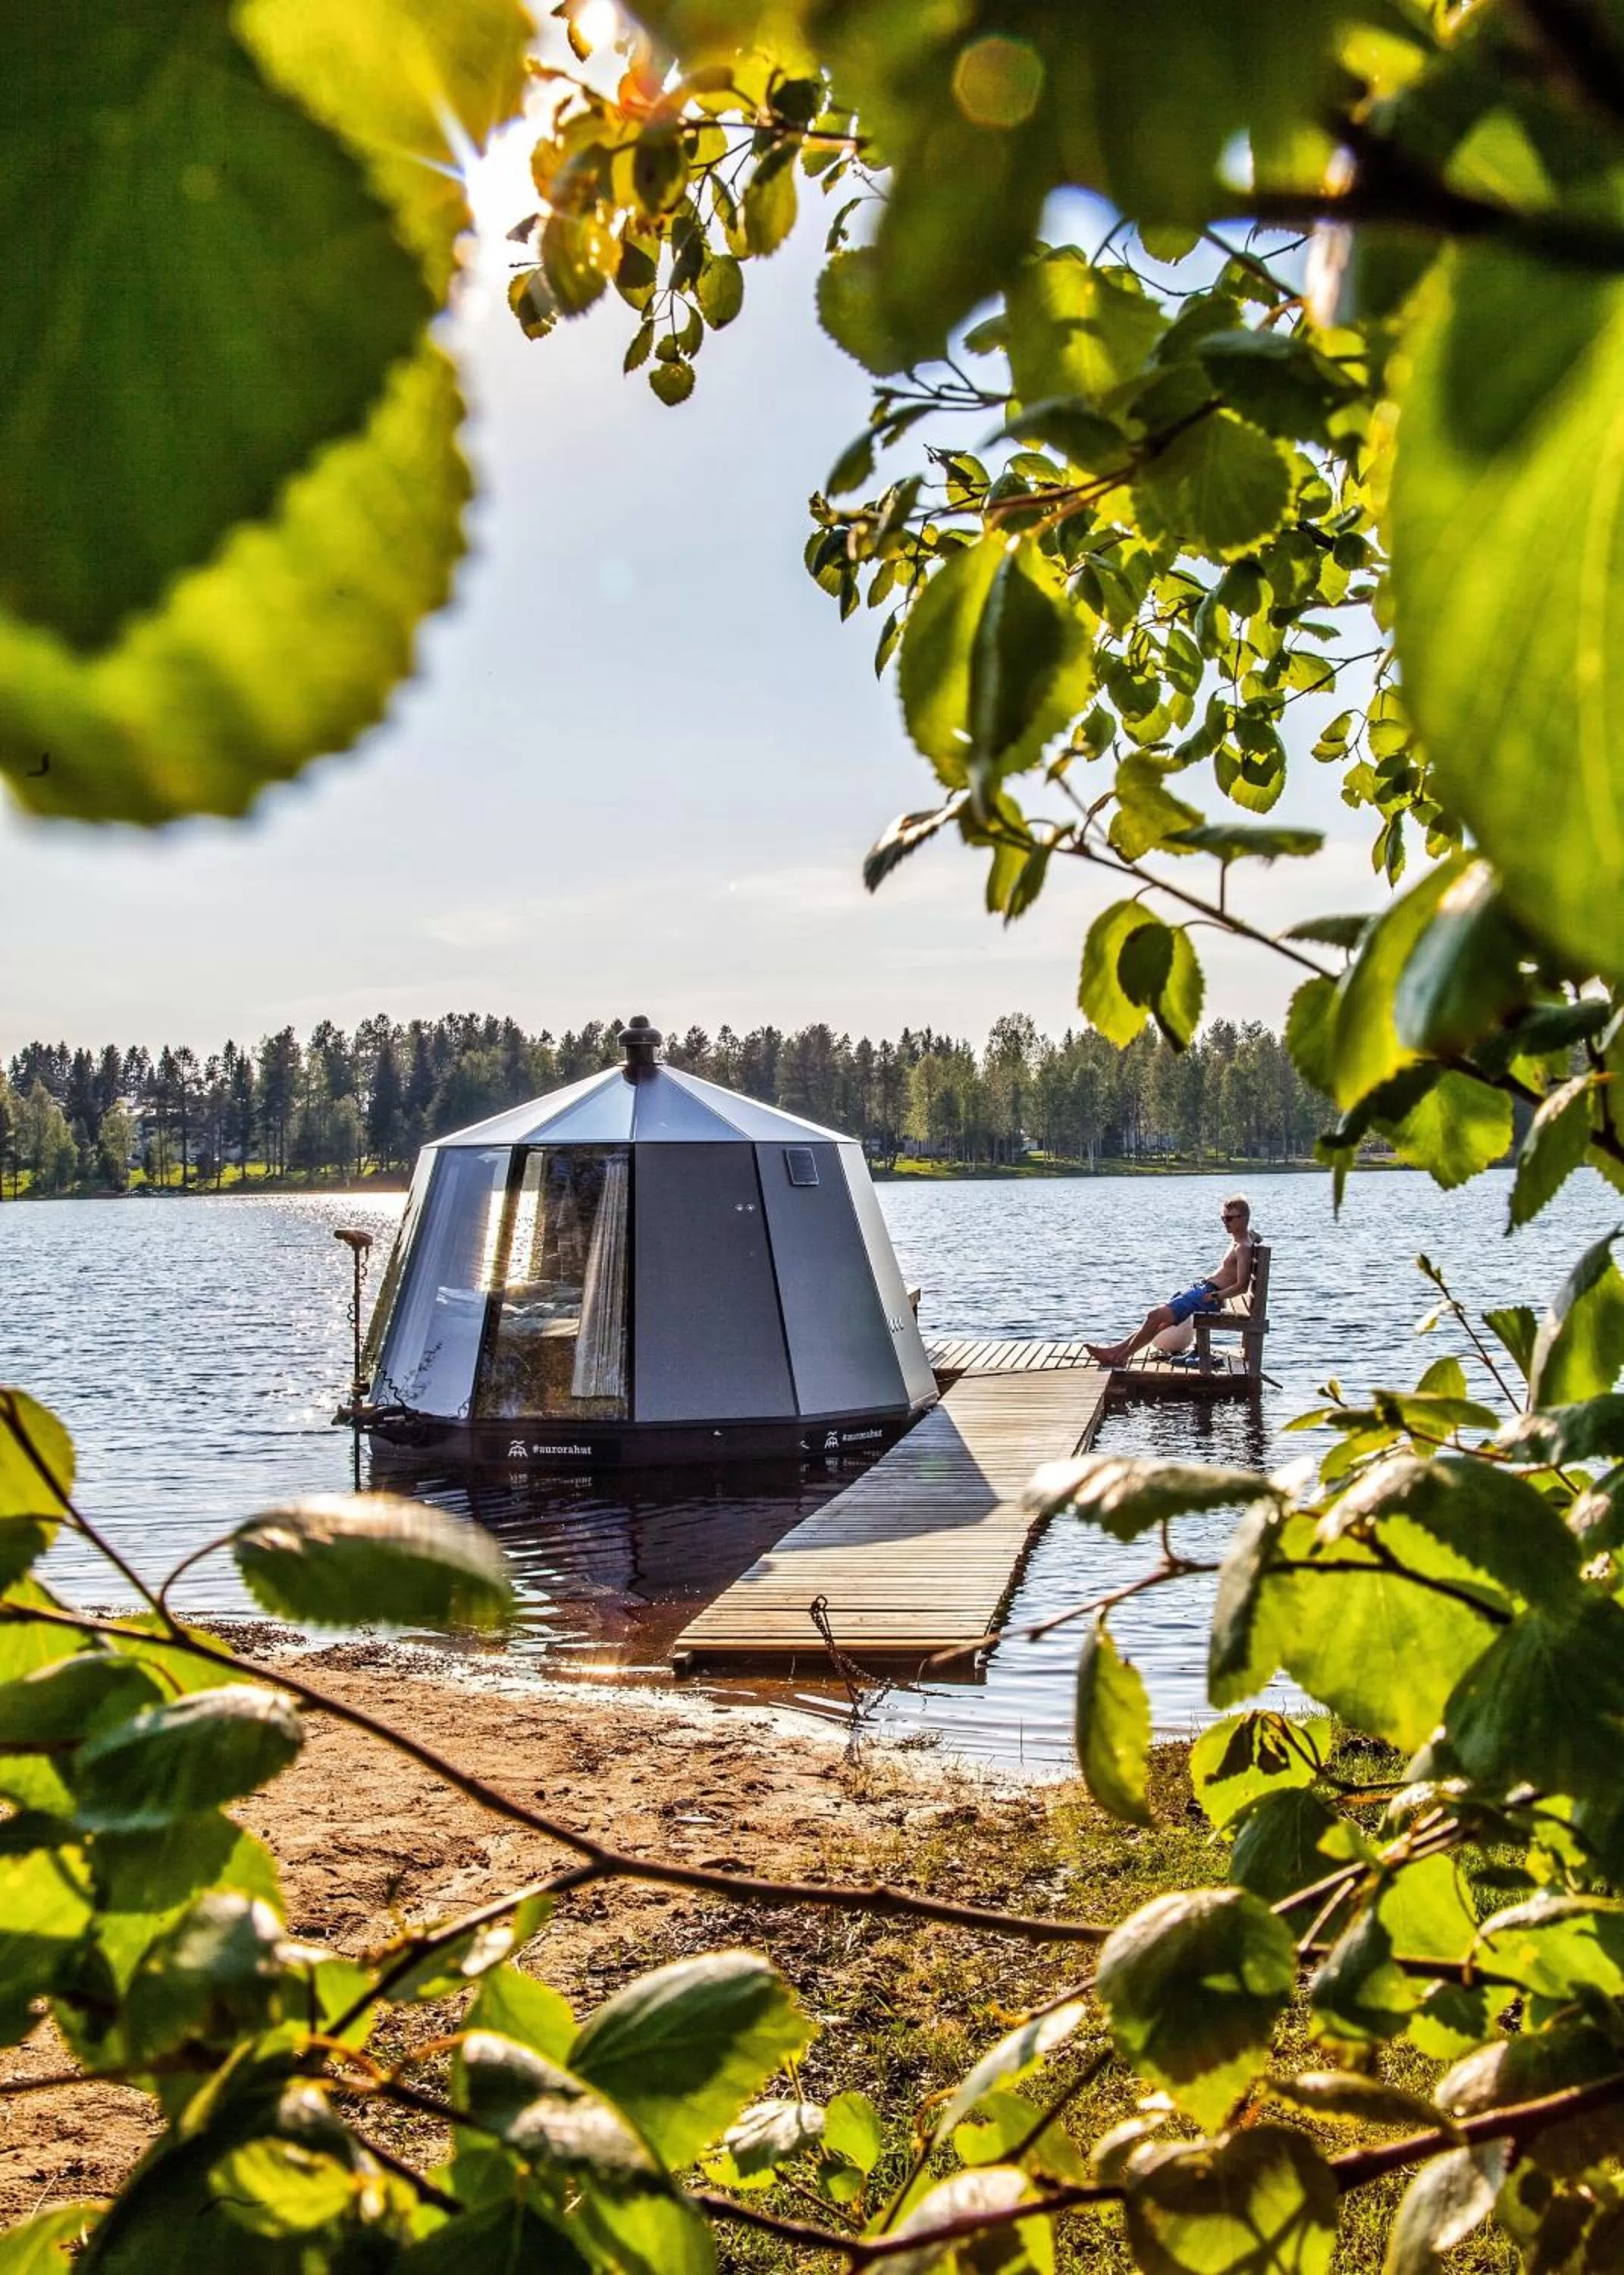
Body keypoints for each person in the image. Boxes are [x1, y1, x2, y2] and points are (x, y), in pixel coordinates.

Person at [1086, 1196, 1256, 1370]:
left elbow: (1242, 1286)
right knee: (1157, 1320)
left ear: (1243, 1219)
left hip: (1207, 1296)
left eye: (1229, 1219)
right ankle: (1115, 1352)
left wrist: (1214, 1296)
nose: (1225, 1223)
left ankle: (1120, 1358)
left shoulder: (1242, 1247)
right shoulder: (1242, 1237)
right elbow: (1252, 1235)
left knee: (1155, 1316)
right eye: (1223, 1218)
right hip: (1203, 1290)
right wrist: (1255, 1235)